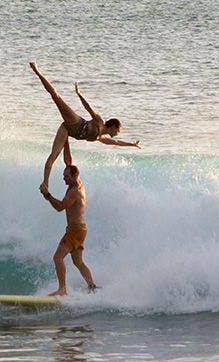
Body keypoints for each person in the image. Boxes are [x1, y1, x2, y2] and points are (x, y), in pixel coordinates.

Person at [30, 62, 140, 190]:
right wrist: (79, 94)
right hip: (75, 122)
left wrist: (132, 144)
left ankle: (66, 187)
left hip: (68, 132)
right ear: (113, 126)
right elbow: (88, 108)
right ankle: (37, 71)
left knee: (68, 164)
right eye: (118, 130)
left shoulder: (101, 138)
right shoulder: (99, 121)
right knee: (56, 97)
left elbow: (117, 142)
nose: (118, 133)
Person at [40, 159, 96, 296]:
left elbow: (59, 207)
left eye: (66, 176)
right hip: (81, 229)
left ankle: (62, 289)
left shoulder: (74, 192)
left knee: (57, 258)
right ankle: (92, 286)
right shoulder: (77, 182)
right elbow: (68, 160)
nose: (63, 178)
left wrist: (47, 195)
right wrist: (65, 140)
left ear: (74, 175)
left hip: (75, 230)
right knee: (78, 261)